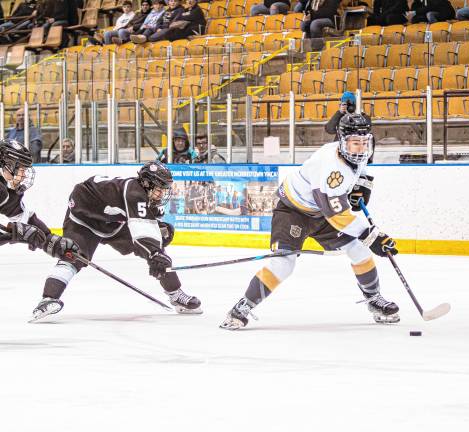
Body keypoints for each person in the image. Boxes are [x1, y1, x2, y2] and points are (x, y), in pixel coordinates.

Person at [220, 114, 399, 330]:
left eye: (364, 143)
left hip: (321, 212)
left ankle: (374, 300)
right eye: (355, 143)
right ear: (342, 142)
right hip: (293, 212)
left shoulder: (352, 155)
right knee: (283, 264)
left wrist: (361, 185)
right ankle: (242, 307)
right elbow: (338, 216)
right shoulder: (331, 167)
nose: (360, 149)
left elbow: (356, 176)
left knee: (359, 250)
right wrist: (372, 236)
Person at [34, 161, 202, 321]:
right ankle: (47, 299)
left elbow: (148, 228)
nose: (162, 194)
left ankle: (175, 294)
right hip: (83, 220)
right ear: (146, 184)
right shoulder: (135, 192)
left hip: (113, 224)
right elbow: (143, 231)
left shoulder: (148, 199)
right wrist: (154, 252)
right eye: (159, 189)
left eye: (164, 190)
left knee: (156, 251)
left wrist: (156, 245)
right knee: (72, 256)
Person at [0, 139, 80, 274]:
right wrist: (14, 233)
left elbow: (21, 216)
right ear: (7, 164)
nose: (24, 174)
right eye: (21, 169)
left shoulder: (5, 191)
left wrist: (50, 240)